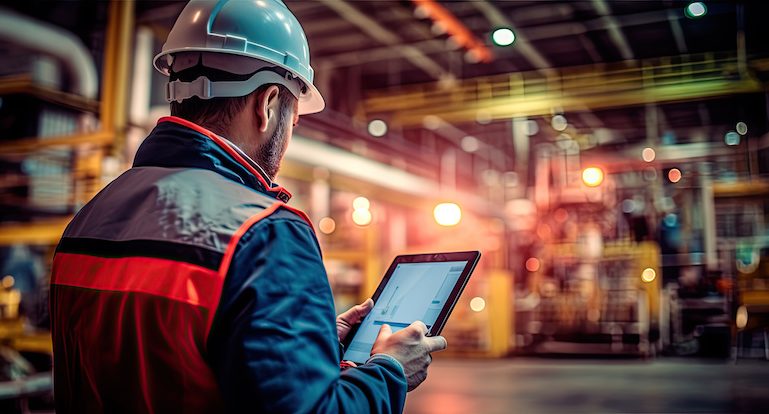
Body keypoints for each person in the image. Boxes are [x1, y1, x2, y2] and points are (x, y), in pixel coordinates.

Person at [48, 0, 446, 412]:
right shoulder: (265, 233)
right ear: (268, 104)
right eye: (293, 119)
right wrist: (388, 372)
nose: (289, 134)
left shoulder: (89, 216)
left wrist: (312, 342)